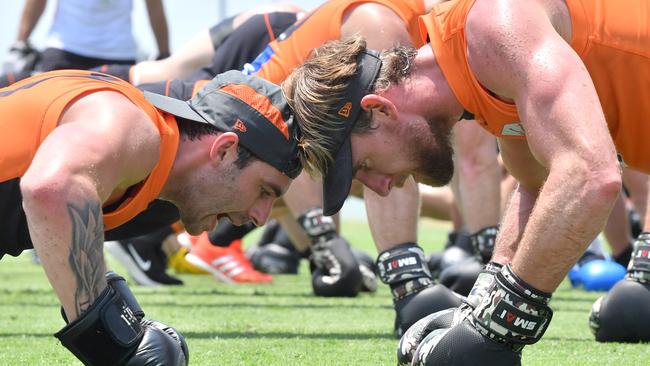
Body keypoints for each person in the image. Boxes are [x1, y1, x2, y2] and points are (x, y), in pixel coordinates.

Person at [282, 0, 650, 363]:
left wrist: (498, 325)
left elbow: (590, 176)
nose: (377, 187)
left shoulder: (495, 24)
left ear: (379, 109)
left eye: (363, 164)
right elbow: (538, 187)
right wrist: (481, 303)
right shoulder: (475, 82)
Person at [0, 69, 301, 364]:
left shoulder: (140, 146)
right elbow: (52, 189)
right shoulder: (134, 128)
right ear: (224, 150)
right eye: (264, 190)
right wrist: (109, 340)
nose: (262, 218)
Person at [2, 0, 169, 86]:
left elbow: (154, 7)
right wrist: (20, 43)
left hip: (118, 58)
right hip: (63, 52)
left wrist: (164, 54)